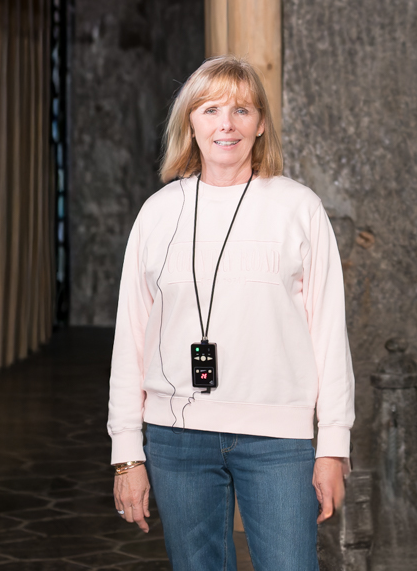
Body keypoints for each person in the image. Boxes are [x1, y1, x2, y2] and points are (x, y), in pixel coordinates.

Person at [108, 55, 351, 571]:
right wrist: (127, 453)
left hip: (278, 441)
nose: (226, 124)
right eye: (211, 109)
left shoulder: (298, 208)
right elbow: (130, 338)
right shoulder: (158, 213)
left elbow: (330, 334)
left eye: (241, 110)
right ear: (190, 123)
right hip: (176, 438)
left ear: (260, 124)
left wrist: (333, 446)